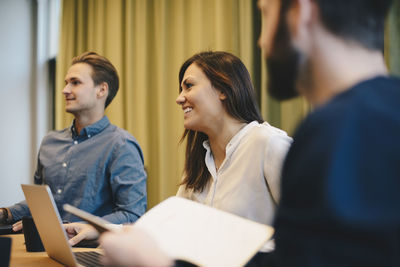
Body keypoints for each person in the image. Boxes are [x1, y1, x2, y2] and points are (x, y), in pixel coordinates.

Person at [97, 0, 400, 266]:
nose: (262, 41)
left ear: (301, 11)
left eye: (265, 15)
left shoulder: (322, 136)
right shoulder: (363, 124)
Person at [64, 51, 292, 249]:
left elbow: (314, 233)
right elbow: (168, 228)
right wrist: (100, 229)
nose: (179, 98)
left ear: (223, 89)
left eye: (189, 86)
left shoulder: (267, 143)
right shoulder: (201, 161)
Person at [0, 52, 147, 232]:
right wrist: (7, 213)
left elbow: (132, 214)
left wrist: (71, 227)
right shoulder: (50, 142)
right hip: (42, 246)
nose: (65, 90)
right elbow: (41, 204)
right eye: (66, 83)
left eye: (75, 83)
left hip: (92, 252)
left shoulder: (122, 145)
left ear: (101, 90)